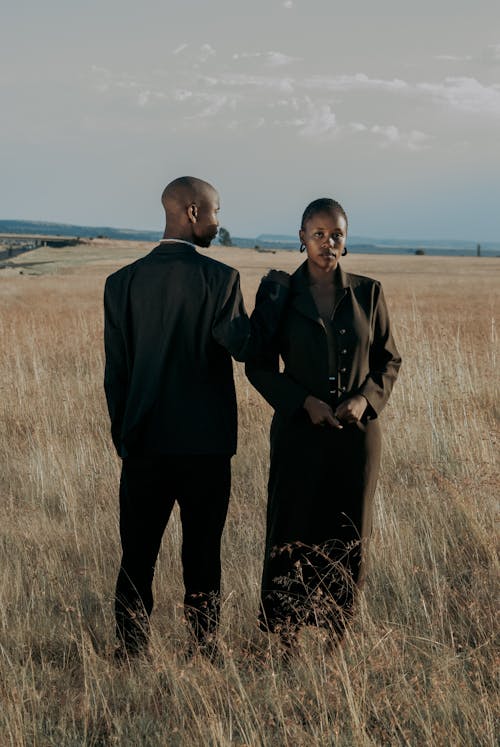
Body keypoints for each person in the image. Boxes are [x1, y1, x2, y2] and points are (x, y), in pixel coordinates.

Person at [104, 176, 289, 660]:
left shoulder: (121, 283)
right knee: (203, 554)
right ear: (191, 212)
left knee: (136, 556)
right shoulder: (220, 280)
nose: (217, 221)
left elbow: (116, 373)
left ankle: (129, 653)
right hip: (205, 447)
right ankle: (204, 650)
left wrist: (124, 436)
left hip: (142, 445)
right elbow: (246, 347)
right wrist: (271, 297)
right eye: (214, 211)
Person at [245, 197, 401, 646]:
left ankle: (339, 633)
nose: (327, 243)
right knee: (292, 524)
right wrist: (302, 402)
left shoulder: (368, 292)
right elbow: (258, 365)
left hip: (357, 437)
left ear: (345, 241)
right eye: (318, 234)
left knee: (350, 529)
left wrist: (364, 400)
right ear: (301, 237)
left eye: (336, 235)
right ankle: (283, 636)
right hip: (299, 433)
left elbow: (389, 360)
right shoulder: (280, 294)